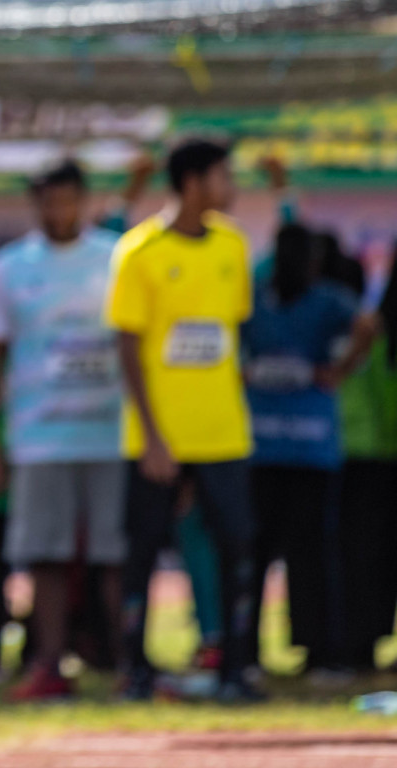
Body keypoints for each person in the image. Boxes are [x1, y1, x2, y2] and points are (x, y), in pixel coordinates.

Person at [106, 138, 262, 703]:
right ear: (192, 182)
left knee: (238, 547)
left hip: (224, 432)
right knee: (142, 552)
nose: (233, 189)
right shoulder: (138, 251)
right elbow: (128, 346)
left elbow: (229, 335)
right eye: (224, 177)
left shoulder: (233, 246)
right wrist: (152, 436)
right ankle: (136, 670)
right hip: (157, 437)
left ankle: (237, 669)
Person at [0, 160, 126, 702]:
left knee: (116, 553)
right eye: (47, 201)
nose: (58, 211)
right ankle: (50, 665)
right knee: (45, 555)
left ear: (85, 200)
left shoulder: (117, 258)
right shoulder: (8, 268)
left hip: (113, 434)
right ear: (35, 204)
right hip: (39, 438)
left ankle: (130, 667)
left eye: (68, 200)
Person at [240, 224, 359, 678]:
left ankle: (246, 654)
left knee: (255, 553)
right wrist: (339, 369)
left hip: (262, 445)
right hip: (310, 446)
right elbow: (367, 325)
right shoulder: (327, 298)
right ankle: (322, 656)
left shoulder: (261, 300)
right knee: (312, 555)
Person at [340, 263, 397, 672]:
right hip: (369, 455)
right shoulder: (370, 330)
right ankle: (360, 645)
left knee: (364, 556)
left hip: (363, 456)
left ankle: (361, 646)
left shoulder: (370, 330)